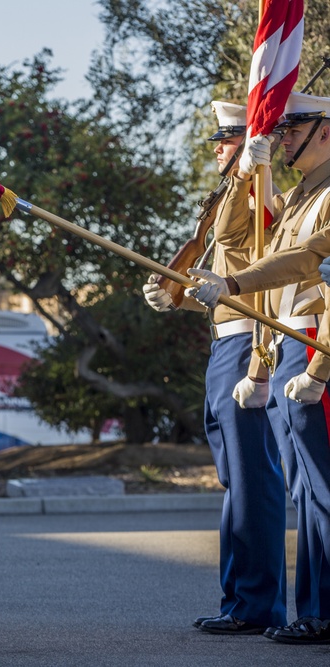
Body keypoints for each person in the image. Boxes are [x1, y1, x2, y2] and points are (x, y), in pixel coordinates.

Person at [188, 91, 330, 645]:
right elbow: (236, 242)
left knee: (318, 487)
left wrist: (316, 369)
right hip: (284, 342)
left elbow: (302, 263)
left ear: (325, 129)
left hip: (313, 339)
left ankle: (319, 610)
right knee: (304, 487)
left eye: (294, 128)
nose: (283, 137)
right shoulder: (297, 197)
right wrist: (262, 361)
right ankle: (315, 609)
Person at [143, 100, 286, 635]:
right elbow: (223, 282)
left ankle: (257, 604)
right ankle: (239, 599)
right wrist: (178, 298)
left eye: (227, 142)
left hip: (250, 342)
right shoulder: (232, 192)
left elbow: (246, 258)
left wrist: (253, 169)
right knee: (235, 480)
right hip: (225, 341)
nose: (222, 151)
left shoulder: (256, 191)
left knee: (253, 480)